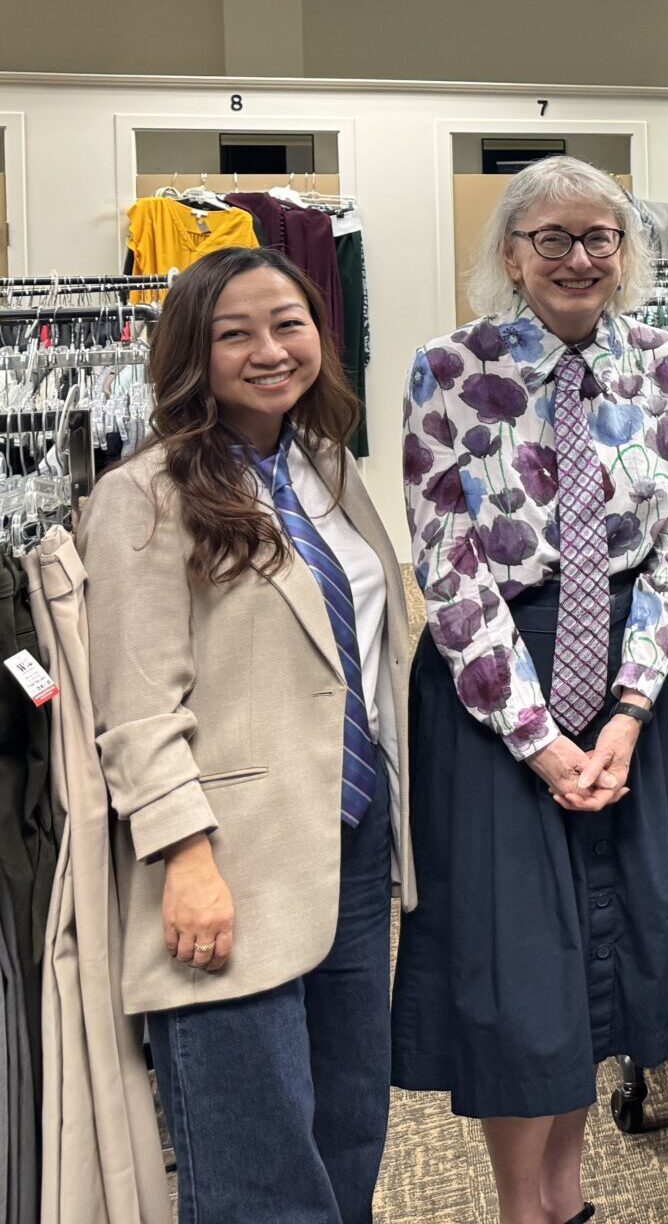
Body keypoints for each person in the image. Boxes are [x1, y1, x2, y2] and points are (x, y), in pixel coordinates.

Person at [393, 154, 668, 1224]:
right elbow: (447, 569)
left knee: (605, 962)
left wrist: (630, 711)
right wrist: (536, 735)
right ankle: (520, 1207)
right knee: (518, 973)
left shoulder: (666, 364)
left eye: (599, 237)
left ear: (625, 252)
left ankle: (568, 1197)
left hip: (629, 686)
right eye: (553, 238)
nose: (578, 258)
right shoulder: (448, 369)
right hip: (495, 691)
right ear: (511, 253)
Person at [83, 248, 408, 1222]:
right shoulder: (144, 495)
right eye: (236, 333)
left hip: (349, 843)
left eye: (289, 323)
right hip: (228, 860)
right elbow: (136, 707)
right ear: (193, 351)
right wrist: (185, 858)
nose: (270, 350)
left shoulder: (325, 463)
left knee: (349, 1124)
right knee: (257, 1161)